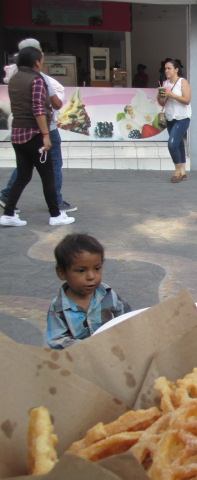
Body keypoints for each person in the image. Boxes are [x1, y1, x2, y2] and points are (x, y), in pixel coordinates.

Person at [0, 47, 75, 227]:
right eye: (42, 60)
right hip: (34, 135)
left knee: (23, 175)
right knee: (48, 175)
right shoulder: (36, 80)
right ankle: (55, 215)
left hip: (18, 134)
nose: (42, 63)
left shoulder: (15, 79)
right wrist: (46, 135)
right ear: (36, 62)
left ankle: (9, 214)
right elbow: (38, 110)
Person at [46, 233, 132, 349]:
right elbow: (56, 340)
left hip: (112, 353)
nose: (91, 276)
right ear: (62, 273)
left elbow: (127, 318)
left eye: (97, 268)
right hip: (79, 360)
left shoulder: (108, 295)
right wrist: (89, 347)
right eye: (81, 271)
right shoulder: (58, 309)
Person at [157, 59, 191, 183]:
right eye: (165, 68)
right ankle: (183, 171)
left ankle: (177, 171)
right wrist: (160, 96)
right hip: (170, 117)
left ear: (176, 69)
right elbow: (162, 103)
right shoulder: (165, 83)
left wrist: (172, 95)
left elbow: (187, 100)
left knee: (172, 144)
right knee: (179, 143)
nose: (166, 71)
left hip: (182, 117)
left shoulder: (183, 82)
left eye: (169, 68)